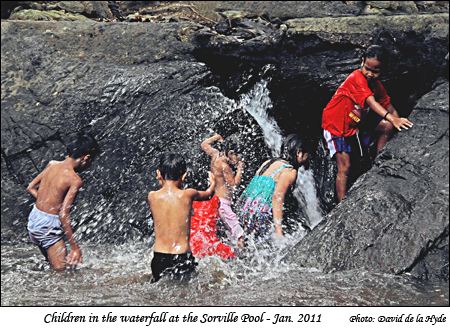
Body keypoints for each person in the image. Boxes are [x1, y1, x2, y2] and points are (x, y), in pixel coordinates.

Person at [322, 45, 413, 202]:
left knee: (386, 126)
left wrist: (398, 121)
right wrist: (393, 118)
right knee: (345, 166)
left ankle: (379, 161)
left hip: (354, 122)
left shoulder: (376, 85)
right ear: (362, 61)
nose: (370, 74)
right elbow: (371, 102)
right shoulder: (356, 78)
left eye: (375, 71)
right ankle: (341, 204)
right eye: (367, 68)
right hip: (336, 125)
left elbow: (388, 105)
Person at [26, 133, 99, 271]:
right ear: (86, 158)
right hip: (48, 226)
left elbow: (30, 187)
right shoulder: (74, 179)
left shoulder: (52, 164)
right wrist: (75, 247)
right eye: (91, 161)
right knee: (62, 273)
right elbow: (64, 214)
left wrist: (47, 204)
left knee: (51, 265)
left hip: (34, 219)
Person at [147, 153, 215, 282]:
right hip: (181, 255)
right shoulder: (188, 194)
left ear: (158, 173)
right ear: (184, 175)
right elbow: (208, 194)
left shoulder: (152, 196)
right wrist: (213, 182)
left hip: (159, 256)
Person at [236, 134, 309, 241]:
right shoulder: (290, 171)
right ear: (299, 153)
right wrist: (278, 231)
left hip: (245, 209)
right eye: (307, 154)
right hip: (261, 213)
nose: (308, 158)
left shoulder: (269, 162)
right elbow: (277, 197)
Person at [200, 133, 245, 247]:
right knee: (239, 234)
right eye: (238, 156)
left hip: (217, 201)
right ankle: (244, 259)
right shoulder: (225, 167)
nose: (239, 159)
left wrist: (217, 137)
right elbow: (233, 184)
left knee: (230, 234)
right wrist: (240, 170)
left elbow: (204, 144)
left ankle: (233, 256)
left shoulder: (215, 154)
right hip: (223, 204)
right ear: (230, 153)